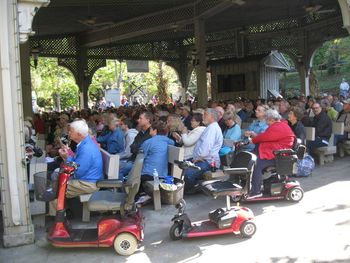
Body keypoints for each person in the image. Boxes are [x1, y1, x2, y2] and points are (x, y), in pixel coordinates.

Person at [49, 119, 103, 216]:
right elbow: (76, 163)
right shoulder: (85, 144)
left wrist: (66, 158)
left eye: (71, 131)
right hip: (87, 180)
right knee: (57, 182)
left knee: (56, 189)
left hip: (87, 183)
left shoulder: (86, 148)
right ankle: (62, 213)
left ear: (79, 134)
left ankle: (59, 220)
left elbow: (78, 172)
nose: (69, 133)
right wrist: (67, 157)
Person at [247, 109, 295, 198]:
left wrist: (254, 139)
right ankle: (254, 187)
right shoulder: (280, 125)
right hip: (278, 154)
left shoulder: (278, 127)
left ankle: (256, 191)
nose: (266, 123)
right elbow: (266, 137)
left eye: (267, 121)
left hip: (279, 156)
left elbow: (265, 137)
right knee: (255, 158)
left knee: (257, 165)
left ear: (272, 120)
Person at [184, 108, 223, 193]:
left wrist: (200, 156)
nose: (203, 117)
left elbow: (206, 146)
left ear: (211, 116)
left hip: (208, 161)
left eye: (205, 115)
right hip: (203, 159)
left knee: (188, 174)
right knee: (183, 166)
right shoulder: (211, 127)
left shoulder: (212, 128)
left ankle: (194, 188)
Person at [118, 111, 153, 178]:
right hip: (134, 159)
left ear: (147, 120)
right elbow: (132, 147)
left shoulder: (151, 133)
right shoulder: (141, 132)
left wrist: (135, 148)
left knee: (120, 170)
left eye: (140, 118)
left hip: (141, 161)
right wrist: (136, 148)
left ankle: (122, 187)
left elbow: (142, 150)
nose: (138, 120)